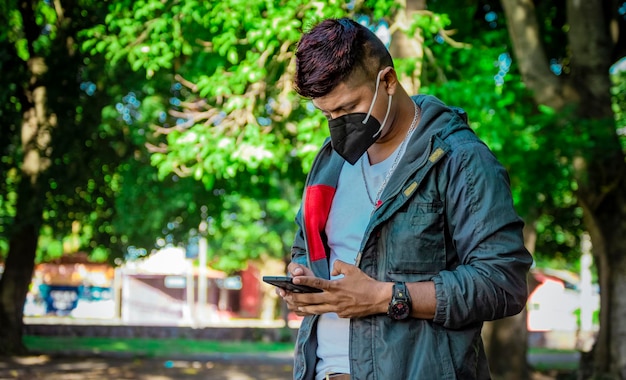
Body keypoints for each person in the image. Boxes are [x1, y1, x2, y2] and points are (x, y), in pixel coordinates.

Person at [277, 17, 533, 380]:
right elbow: (307, 248)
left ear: (388, 81)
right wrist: (302, 280)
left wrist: (384, 297)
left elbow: (502, 282)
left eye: (348, 108)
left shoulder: (460, 159)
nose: (337, 125)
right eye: (327, 114)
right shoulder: (329, 162)